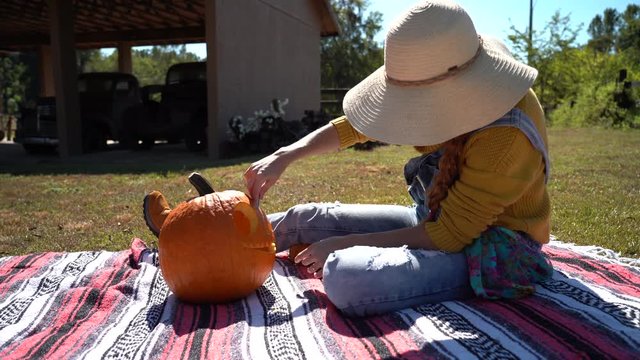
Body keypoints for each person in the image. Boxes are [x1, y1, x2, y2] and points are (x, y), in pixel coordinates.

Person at [243, 0, 554, 317]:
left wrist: (342, 245)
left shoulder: (507, 135)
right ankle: (230, 242)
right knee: (302, 218)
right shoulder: (445, 72)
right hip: (432, 220)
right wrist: (287, 154)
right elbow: (360, 124)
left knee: (346, 276)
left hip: (493, 250)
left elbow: (449, 235)